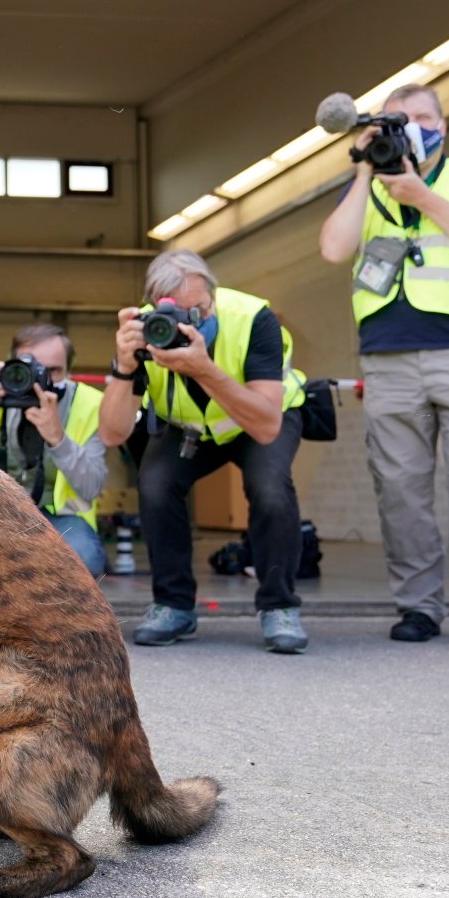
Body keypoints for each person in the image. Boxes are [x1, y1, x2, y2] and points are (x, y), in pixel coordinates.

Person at [319, 83, 449, 654]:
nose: (410, 126)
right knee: (400, 491)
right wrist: (364, 171)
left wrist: (421, 195)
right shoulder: (369, 184)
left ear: (442, 125)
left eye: (422, 117)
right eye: (398, 119)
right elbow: (334, 248)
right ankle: (419, 607)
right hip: (389, 361)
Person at [97, 251, 310, 654]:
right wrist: (124, 367)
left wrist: (203, 368)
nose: (189, 323)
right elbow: (112, 434)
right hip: (189, 427)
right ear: (156, 307)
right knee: (156, 484)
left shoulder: (253, 319)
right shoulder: (143, 329)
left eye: (200, 310)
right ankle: (174, 605)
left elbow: (266, 426)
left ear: (214, 297)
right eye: (178, 314)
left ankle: (279, 605)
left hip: (260, 419)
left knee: (270, 489)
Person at [0, 324, 108, 577]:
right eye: (30, 367)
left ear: (69, 372)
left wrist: (58, 439)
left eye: (53, 371)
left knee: (86, 555)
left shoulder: (89, 403)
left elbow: (92, 486)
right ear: (12, 363)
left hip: (58, 516)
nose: (41, 378)